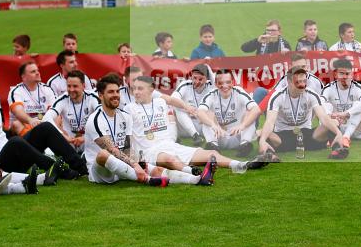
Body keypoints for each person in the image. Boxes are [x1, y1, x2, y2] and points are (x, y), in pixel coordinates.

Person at [0, 83, 88, 192]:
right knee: (15, 142)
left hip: (13, 156)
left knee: (44, 127)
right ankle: (60, 170)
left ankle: (81, 167)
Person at [85, 74, 215, 187]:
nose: (115, 95)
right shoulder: (95, 120)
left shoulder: (124, 116)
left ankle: (198, 179)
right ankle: (148, 180)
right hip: (102, 171)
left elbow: (127, 148)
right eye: (110, 92)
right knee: (103, 154)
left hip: (123, 163)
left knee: (157, 169)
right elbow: (111, 149)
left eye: (117, 91)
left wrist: (139, 162)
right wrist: (135, 165)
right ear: (100, 95)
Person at [128, 75, 267, 175]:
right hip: (148, 152)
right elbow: (126, 138)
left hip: (169, 145)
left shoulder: (160, 101)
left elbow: (171, 100)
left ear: (152, 89)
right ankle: (193, 174)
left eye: (140, 89)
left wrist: (188, 107)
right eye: (134, 89)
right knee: (171, 159)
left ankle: (242, 165)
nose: (136, 92)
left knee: (211, 154)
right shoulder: (129, 109)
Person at [259, 67, 345, 157]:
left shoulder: (311, 94)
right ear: (289, 82)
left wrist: (338, 133)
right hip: (283, 137)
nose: (302, 85)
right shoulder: (277, 96)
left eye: (304, 81)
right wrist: (262, 140)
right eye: (298, 82)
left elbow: (323, 117)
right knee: (262, 133)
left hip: (307, 136)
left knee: (333, 123)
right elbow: (269, 122)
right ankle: (270, 155)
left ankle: (338, 150)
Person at [196, 69, 262, 155]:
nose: (225, 86)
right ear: (216, 84)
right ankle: (213, 145)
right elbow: (200, 112)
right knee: (206, 115)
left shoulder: (239, 91)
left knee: (249, 112)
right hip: (219, 135)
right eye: (220, 83)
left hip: (237, 135)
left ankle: (245, 144)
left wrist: (242, 125)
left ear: (233, 82)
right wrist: (213, 125)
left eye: (228, 82)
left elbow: (256, 109)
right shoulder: (211, 94)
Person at [318, 58, 361, 151]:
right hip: (337, 126)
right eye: (341, 73)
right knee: (325, 106)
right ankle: (332, 135)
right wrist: (330, 115)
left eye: (347, 74)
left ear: (352, 74)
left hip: (358, 131)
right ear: (335, 74)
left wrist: (346, 113)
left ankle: (346, 137)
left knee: (359, 104)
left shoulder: (358, 87)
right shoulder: (329, 88)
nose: (345, 76)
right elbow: (319, 103)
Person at [45, 70, 101, 154]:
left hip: (89, 140)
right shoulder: (63, 99)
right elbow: (47, 118)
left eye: (75, 86)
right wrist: (62, 135)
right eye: (69, 86)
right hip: (69, 142)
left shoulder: (92, 98)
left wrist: (86, 137)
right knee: (48, 151)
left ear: (83, 86)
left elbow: (102, 117)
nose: (71, 89)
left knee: (102, 140)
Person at [8, 61, 57, 135]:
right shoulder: (16, 91)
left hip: (44, 124)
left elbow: (54, 110)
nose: (37, 73)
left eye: (37, 70)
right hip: (26, 125)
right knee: (17, 123)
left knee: (58, 118)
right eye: (33, 71)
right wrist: (30, 120)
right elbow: (18, 112)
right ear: (24, 77)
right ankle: (31, 145)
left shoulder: (47, 89)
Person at [171, 64, 213, 145]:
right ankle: (195, 136)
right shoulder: (186, 84)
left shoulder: (211, 85)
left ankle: (211, 141)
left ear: (207, 78)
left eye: (201, 79)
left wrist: (208, 67)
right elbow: (173, 98)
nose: (197, 81)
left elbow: (216, 80)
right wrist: (186, 107)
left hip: (204, 125)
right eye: (194, 78)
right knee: (177, 107)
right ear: (191, 77)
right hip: (186, 125)